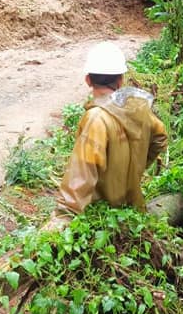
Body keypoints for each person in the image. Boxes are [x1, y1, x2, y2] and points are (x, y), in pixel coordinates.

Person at [57, 41, 168, 215]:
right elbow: (160, 138)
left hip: (104, 218)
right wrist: (135, 169)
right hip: (134, 213)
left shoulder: (95, 119)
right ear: (120, 80)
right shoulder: (138, 109)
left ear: (88, 80)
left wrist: (63, 216)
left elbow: (80, 177)